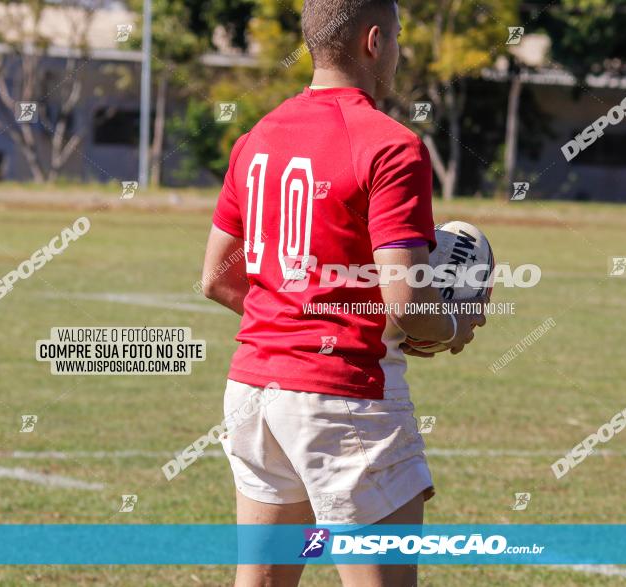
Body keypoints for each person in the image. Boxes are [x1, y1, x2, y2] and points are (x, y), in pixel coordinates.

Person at [200, 1, 486, 585]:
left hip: (255, 390)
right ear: (374, 41)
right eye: (399, 37)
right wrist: (454, 327)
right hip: (345, 399)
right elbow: (407, 302)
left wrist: (298, 317)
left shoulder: (256, 137)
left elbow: (216, 279)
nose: (400, 51)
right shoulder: (391, 144)